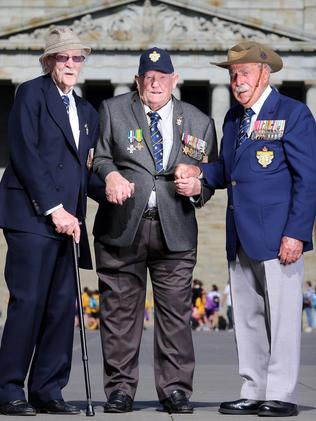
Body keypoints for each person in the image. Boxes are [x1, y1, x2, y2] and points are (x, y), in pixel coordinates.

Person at [174, 41, 316, 417]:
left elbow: (308, 179)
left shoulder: (293, 113)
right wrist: (199, 172)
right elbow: (229, 172)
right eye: (234, 74)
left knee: (283, 320)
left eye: (245, 73)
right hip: (240, 234)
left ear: (264, 74)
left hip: (278, 235)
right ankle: (254, 389)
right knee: (248, 318)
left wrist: (297, 233)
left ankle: (281, 394)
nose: (238, 81)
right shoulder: (234, 119)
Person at [92, 47, 218, 414]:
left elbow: (209, 178)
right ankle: (119, 389)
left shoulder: (199, 122)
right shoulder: (113, 110)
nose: (155, 84)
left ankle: (176, 389)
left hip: (175, 230)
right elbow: (99, 156)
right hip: (122, 227)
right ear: (138, 82)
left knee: (176, 314)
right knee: (118, 314)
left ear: (174, 81)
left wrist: (198, 188)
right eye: (148, 78)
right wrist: (110, 173)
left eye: (162, 78)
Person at [0, 26, 103, 416]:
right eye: (64, 57)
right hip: (32, 216)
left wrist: (110, 184)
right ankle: (8, 387)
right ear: (49, 62)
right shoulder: (32, 93)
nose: (72, 64)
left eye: (78, 58)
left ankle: (48, 388)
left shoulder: (87, 112)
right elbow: (25, 154)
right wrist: (54, 208)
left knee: (62, 307)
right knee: (28, 303)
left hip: (69, 223)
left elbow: (81, 171)